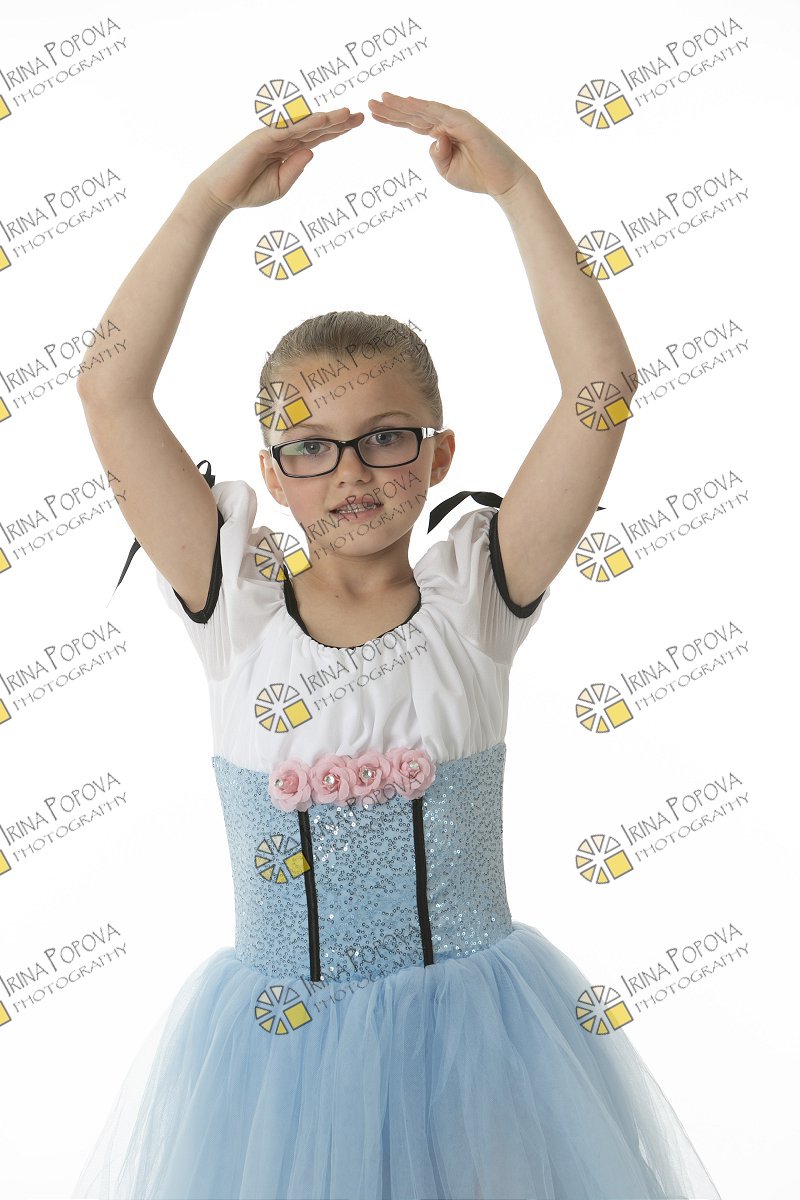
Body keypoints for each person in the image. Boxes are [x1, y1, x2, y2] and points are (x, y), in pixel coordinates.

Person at [71, 93, 721, 1200]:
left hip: (479, 1054)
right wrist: (203, 205)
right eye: (310, 448)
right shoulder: (235, 610)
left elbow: (601, 393)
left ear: (436, 454)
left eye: (384, 439)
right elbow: (108, 387)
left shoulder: (476, 598)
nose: (351, 474)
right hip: (276, 1066)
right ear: (271, 473)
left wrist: (516, 189)